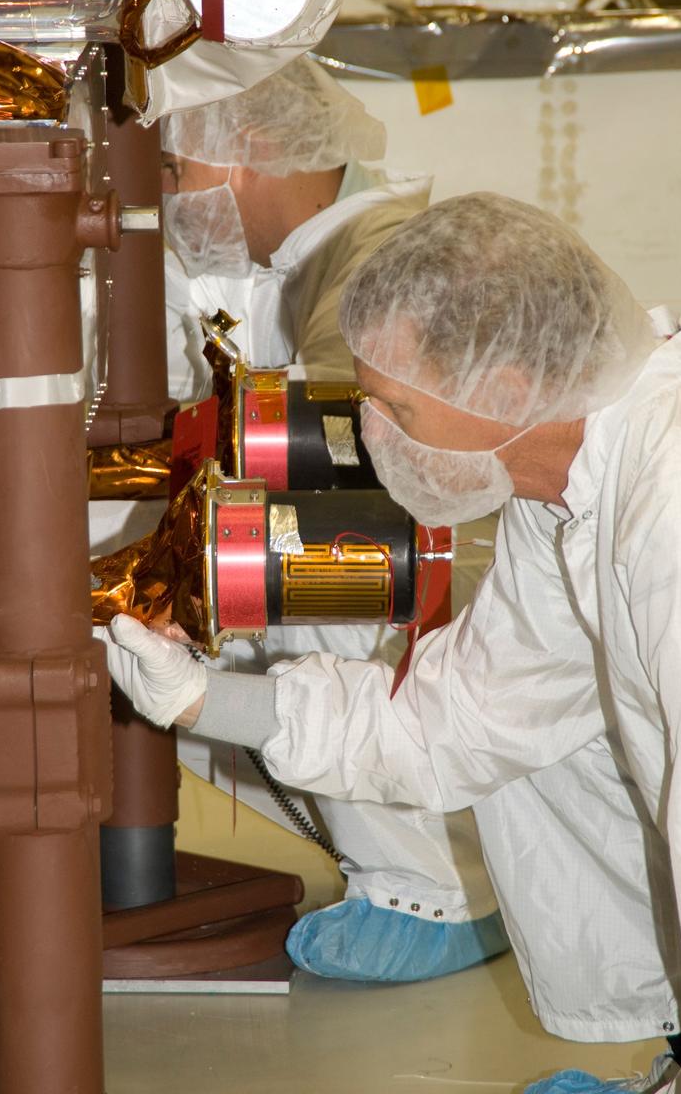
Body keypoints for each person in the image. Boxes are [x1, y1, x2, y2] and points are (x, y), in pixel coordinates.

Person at [106, 191, 681, 1093]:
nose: (372, 434)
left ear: (509, 391)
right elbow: (463, 719)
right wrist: (206, 696)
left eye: (394, 405)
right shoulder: (569, 479)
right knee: (540, 739)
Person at [155, 61, 508, 983]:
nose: (168, 197)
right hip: (433, 578)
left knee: (263, 601)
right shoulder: (315, 257)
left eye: (175, 170)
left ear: (257, 150)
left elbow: (324, 474)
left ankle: (432, 884)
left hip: (419, 575)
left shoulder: (371, 259)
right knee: (192, 675)